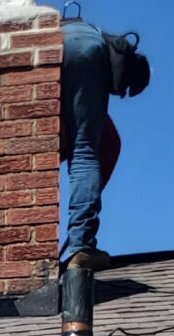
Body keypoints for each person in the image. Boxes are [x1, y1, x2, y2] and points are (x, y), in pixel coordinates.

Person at [60, 15, 149, 270]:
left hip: (43, 47)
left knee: (39, 154)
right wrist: (83, 214)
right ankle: (81, 247)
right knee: (84, 154)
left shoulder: (104, 131)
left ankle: (76, 245)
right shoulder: (98, 120)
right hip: (81, 47)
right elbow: (91, 168)